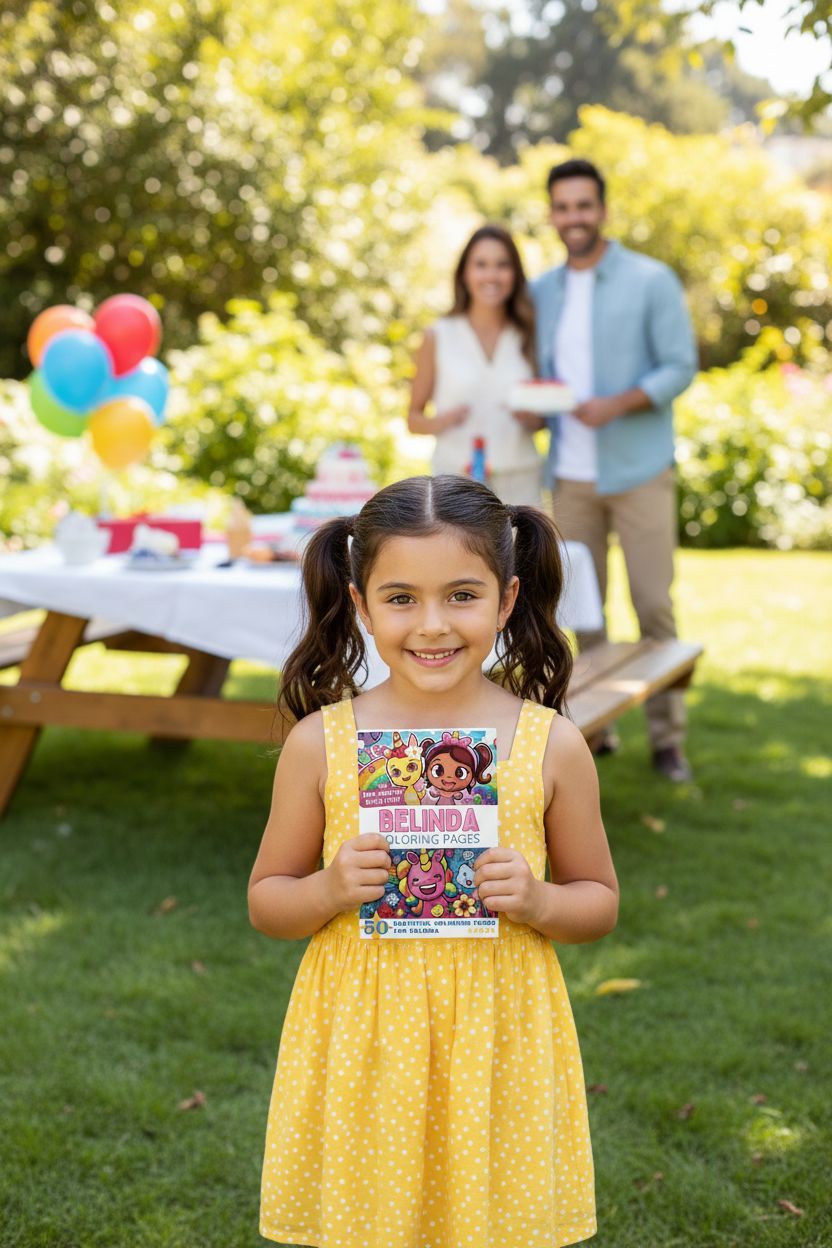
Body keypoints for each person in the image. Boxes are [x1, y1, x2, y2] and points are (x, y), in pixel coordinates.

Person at [249, 475, 619, 1248]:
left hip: (497, 1040)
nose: (432, 625)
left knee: (490, 1223)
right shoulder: (320, 743)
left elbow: (599, 901)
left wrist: (541, 901)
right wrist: (328, 886)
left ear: (507, 599)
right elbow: (268, 901)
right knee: (370, 1222)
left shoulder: (550, 744)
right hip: (364, 1040)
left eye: (461, 595)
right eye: (401, 598)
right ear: (358, 604)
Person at [531, 158, 698, 782]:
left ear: (602, 210)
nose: (574, 217)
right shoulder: (541, 290)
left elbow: (679, 365)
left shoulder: (650, 280)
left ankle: (668, 741)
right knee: (583, 613)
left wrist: (618, 402)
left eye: (584, 205)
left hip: (639, 468)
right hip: (568, 475)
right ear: (552, 214)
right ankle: (595, 733)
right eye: (563, 207)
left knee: (653, 604)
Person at [408, 224, 544, 505]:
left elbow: (543, 418)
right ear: (465, 273)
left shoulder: (530, 333)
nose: (491, 275)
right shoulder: (439, 335)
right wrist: (444, 420)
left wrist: (530, 418)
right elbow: (413, 419)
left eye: (502, 265)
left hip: (521, 481)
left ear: (515, 274)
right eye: (481, 265)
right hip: (456, 482)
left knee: (526, 550)